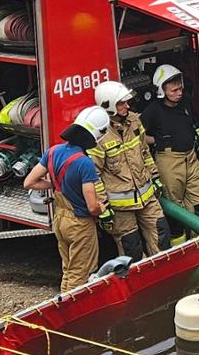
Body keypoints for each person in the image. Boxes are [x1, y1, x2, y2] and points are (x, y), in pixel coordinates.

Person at [24, 107, 111, 292]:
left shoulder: (53, 151)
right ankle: (73, 312)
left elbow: (29, 182)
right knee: (81, 272)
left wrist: (54, 185)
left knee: (68, 268)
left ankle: (62, 301)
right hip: (80, 224)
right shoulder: (84, 162)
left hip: (60, 219)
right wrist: (102, 208)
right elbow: (92, 206)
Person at [140, 64, 199, 243]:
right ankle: (179, 248)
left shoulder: (186, 101)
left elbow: (191, 120)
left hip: (191, 157)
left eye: (180, 88)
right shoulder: (153, 111)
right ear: (161, 90)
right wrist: (157, 141)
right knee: (174, 210)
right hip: (169, 161)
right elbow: (138, 136)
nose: (179, 93)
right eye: (174, 90)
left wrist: (195, 130)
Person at [89, 80, 165, 259]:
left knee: (162, 239)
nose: (127, 106)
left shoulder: (134, 120)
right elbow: (94, 174)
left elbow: (144, 152)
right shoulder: (99, 134)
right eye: (121, 103)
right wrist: (104, 207)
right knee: (132, 252)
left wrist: (155, 177)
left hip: (148, 199)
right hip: (121, 209)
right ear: (108, 106)